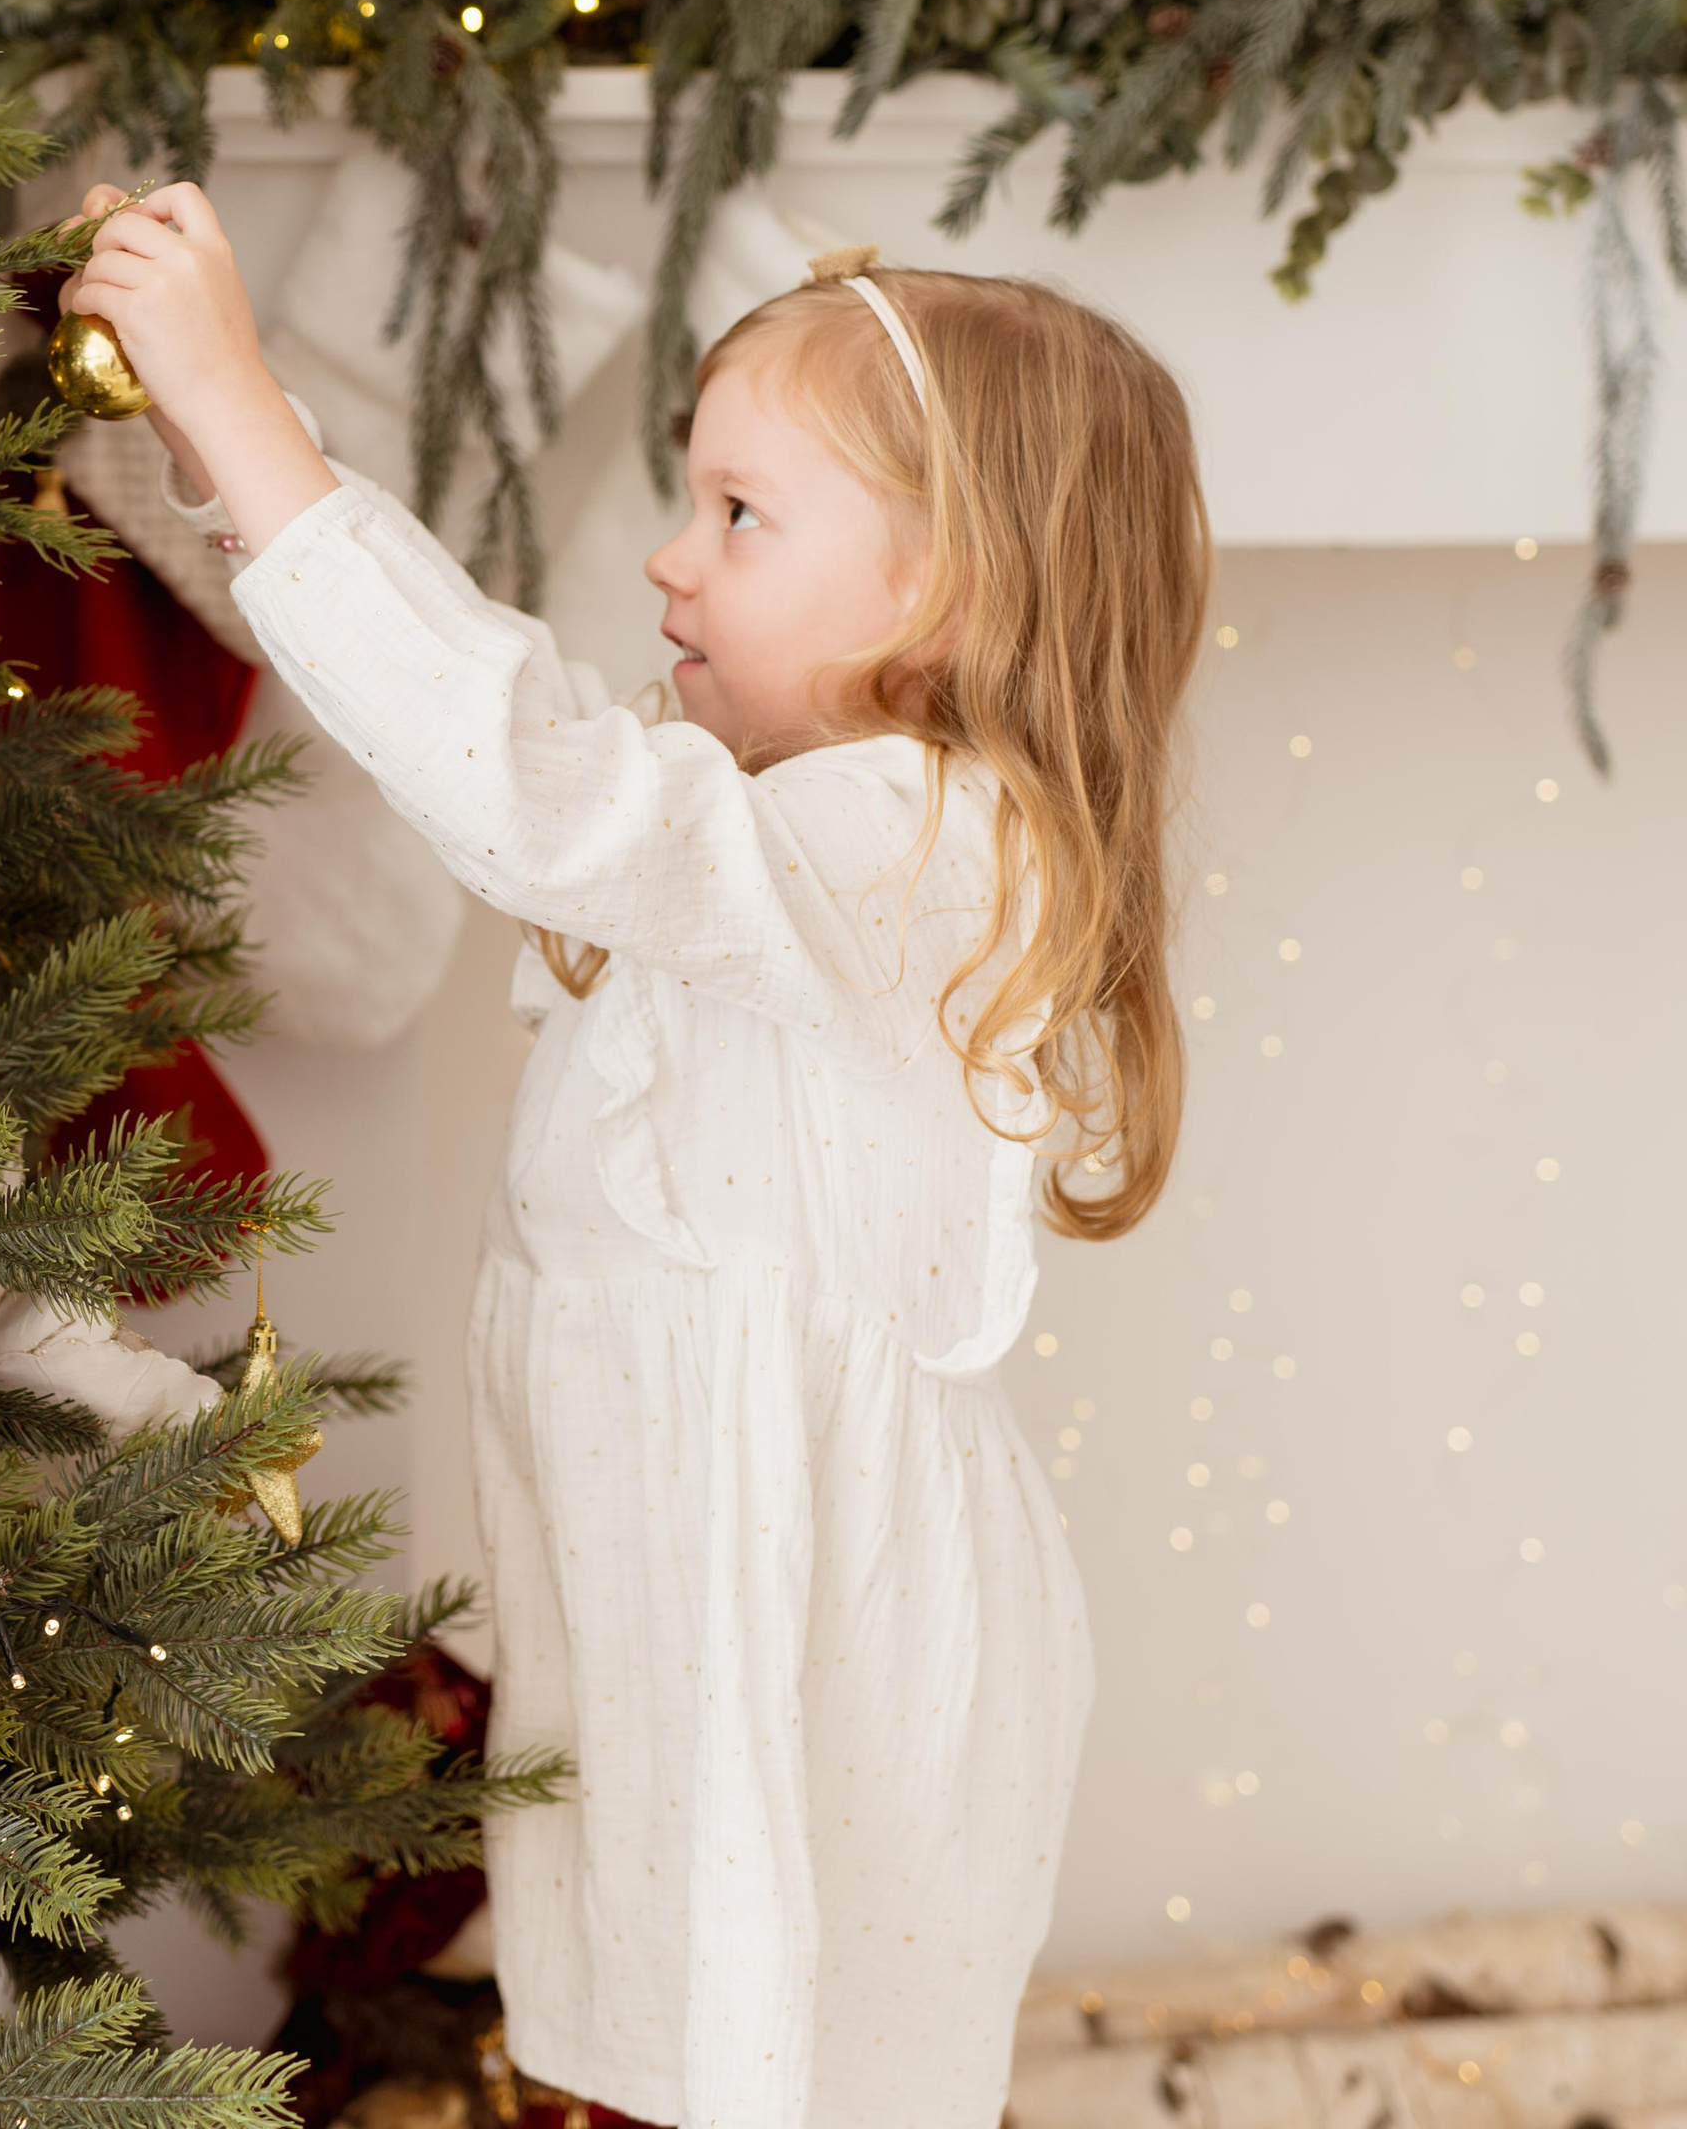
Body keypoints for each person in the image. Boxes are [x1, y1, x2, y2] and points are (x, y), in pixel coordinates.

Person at [60, 179, 1212, 2129]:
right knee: (649, 2047)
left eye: (741, 515)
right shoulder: (766, 842)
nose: (672, 563)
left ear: (939, 587)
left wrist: (243, 405)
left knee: (786, 2068)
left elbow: (526, 776)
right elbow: (514, 734)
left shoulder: (922, 841)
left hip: (799, 1626)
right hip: (668, 1593)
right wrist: (224, 456)